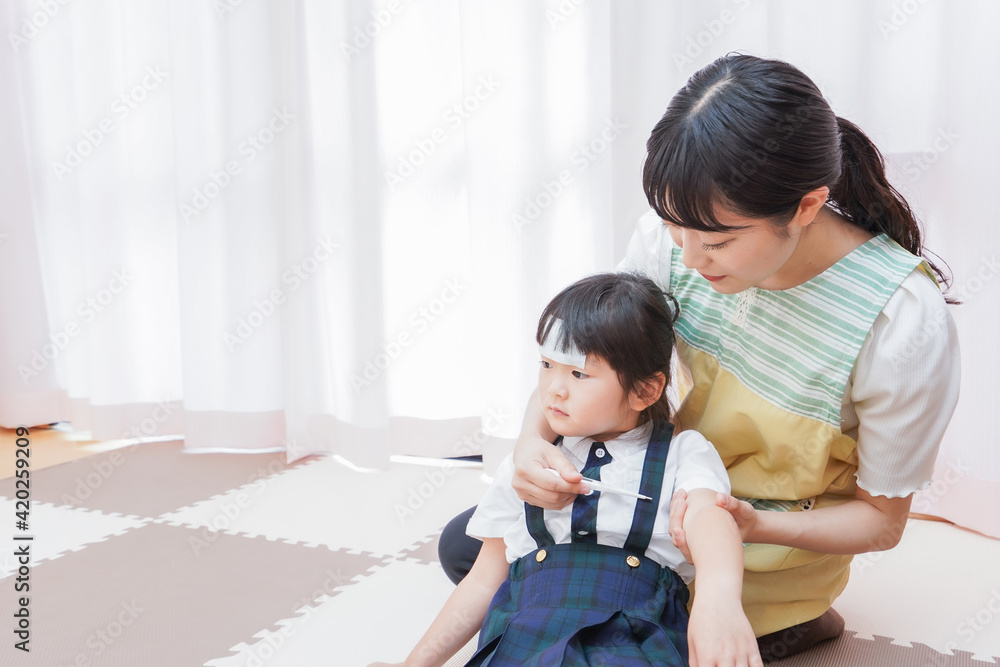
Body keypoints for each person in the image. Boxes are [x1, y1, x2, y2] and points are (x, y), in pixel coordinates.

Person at [438, 54, 961, 661]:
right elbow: (588, 368)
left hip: (755, 549)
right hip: (646, 496)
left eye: (716, 241)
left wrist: (750, 524)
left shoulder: (901, 321)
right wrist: (533, 445)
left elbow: (881, 522)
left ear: (806, 206)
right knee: (468, 545)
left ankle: (786, 620)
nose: (688, 259)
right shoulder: (678, 234)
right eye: (674, 228)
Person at [373, 272, 762, 666]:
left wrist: (720, 598)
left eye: (578, 374)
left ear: (644, 390)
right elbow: (484, 579)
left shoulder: (683, 453)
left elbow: (709, 517)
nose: (553, 389)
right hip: (526, 634)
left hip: (633, 644)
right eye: (546, 364)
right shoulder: (531, 462)